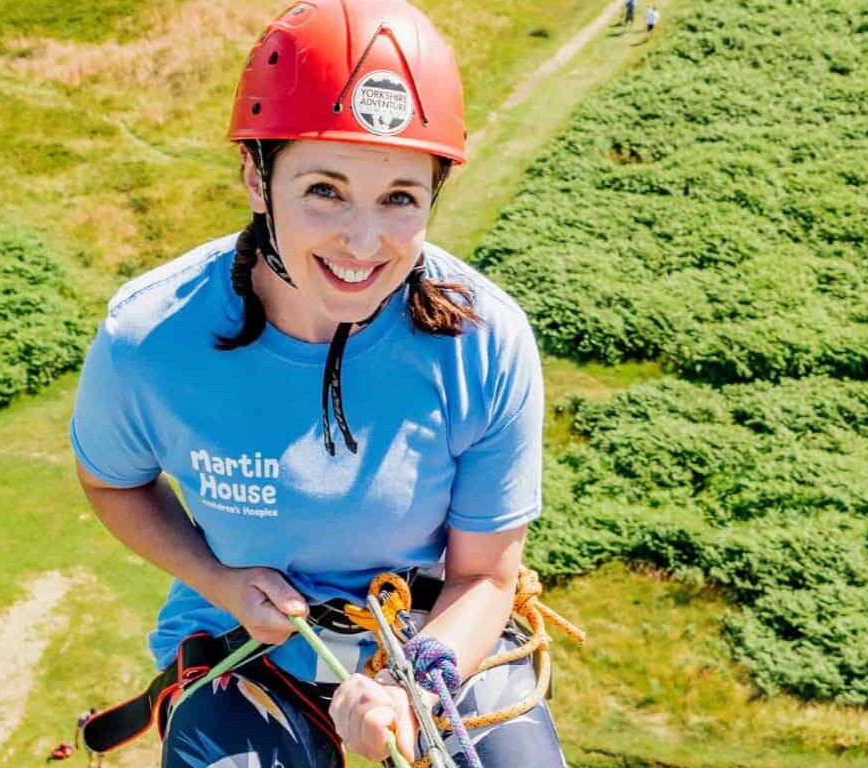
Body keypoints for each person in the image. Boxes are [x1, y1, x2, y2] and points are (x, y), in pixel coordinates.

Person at [69, 1, 564, 766]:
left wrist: (414, 690)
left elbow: (484, 575)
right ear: (256, 179)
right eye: (325, 190)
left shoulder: (484, 345)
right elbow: (112, 484)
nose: (362, 243)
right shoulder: (151, 341)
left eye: (400, 197)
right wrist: (220, 580)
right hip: (245, 640)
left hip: (436, 636)